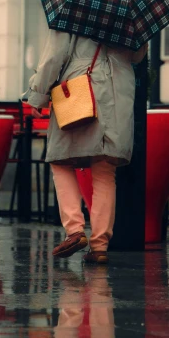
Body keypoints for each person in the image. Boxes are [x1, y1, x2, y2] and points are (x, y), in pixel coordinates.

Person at [24, 30, 147, 265]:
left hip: (81, 90)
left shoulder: (75, 7)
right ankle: (100, 247)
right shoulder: (130, 14)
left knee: (60, 160)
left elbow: (54, 55)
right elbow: (137, 55)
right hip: (120, 92)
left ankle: (75, 230)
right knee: (105, 169)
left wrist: (37, 94)